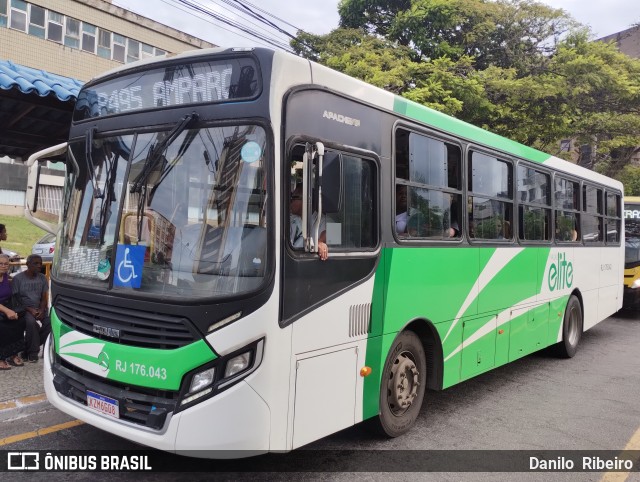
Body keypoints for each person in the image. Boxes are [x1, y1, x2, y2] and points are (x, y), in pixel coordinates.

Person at [12, 254, 51, 363]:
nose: (39, 266)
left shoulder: (42, 278)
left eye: (40, 263)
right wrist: (30, 309)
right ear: (28, 264)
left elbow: (44, 298)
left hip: (39, 307)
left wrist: (42, 310)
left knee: (51, 322)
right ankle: (33, 352)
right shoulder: (18, 279)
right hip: (24, 308)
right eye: (36, 263)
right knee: (31, 322)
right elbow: (16, 300)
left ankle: (27, 349)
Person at [0, 254, 26, 370]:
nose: (3, 266)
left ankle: (13, 354)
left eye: (6, 264)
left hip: (6, 305)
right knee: (2, 325)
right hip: (2, 308)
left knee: (20, 321)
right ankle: (1, 358)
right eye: (0, 264)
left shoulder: (6, 277)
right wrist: (7, 311)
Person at [289, 185, 329, 260]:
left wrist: (320, 242)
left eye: (293, 198)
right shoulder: (293, 219)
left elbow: (329, 232)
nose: (290, 202)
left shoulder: (322, 220)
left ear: (305, 200)